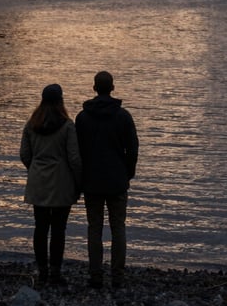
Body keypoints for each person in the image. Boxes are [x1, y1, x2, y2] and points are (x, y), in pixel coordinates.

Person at [75, 71, 139, 289]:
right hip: (116, 180)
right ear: (112, 88)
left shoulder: (82, 118)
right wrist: (128, 172)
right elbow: (133, 148)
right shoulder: (123, 116)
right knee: (118, 227)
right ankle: (117, 276)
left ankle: (95, 275)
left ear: (94, 88)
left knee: (94, 228)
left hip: (92, 180)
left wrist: (80, 177)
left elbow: (78, 151)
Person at [20, 83, 82, 286]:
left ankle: (42, 272)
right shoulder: (67, 125)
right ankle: (55, 272)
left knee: (40, 227)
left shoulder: (31, 125)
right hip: (61, 183)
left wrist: (35, 169)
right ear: (60, 101)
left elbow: (25, 155)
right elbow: (74, 158)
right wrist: (78, 181)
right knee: (58, 229)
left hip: (38, 181)